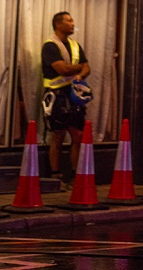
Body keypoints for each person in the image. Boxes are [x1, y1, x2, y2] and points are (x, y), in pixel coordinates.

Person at [42, 11, 92, 181]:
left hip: (74, 95)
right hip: (56, 96)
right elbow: (62, 69)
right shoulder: (50, 46)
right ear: (58, 24)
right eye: (69, 21)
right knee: (58, 136)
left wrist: (80, 71)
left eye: (72, 20)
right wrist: (79, 68)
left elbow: (87, 67)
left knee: (78, 135)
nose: (73, 24)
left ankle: (74, 175)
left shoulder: (75, 45)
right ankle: (55, 175)